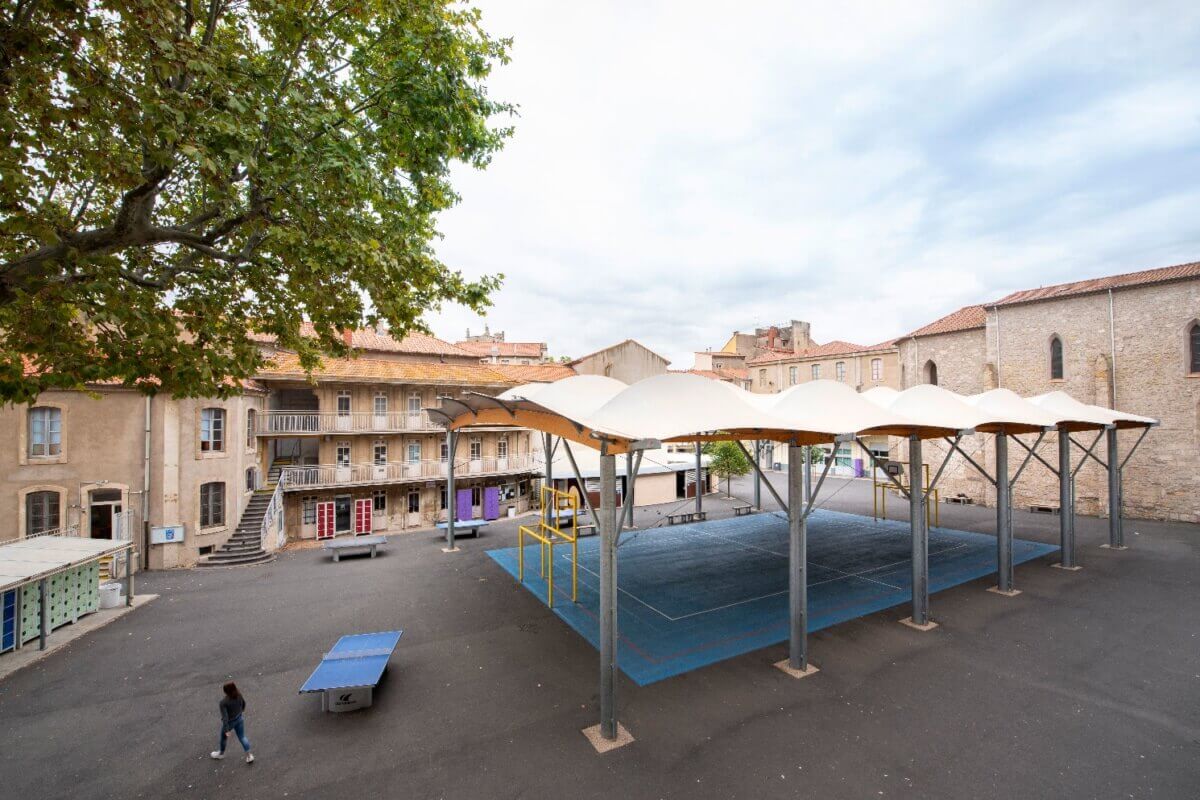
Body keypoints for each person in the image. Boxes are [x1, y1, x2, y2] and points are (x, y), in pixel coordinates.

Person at [210, 682, 254, 764]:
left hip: (230, 722)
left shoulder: (223, 702)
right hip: (239, 718)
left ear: (225, 691)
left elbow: (225, 717)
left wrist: (227, 730)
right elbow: (243, 703)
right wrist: (241, 711)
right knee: (242, 737)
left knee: (223, 738)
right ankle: (249, 756)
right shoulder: (239, 695)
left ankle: (221, 753)